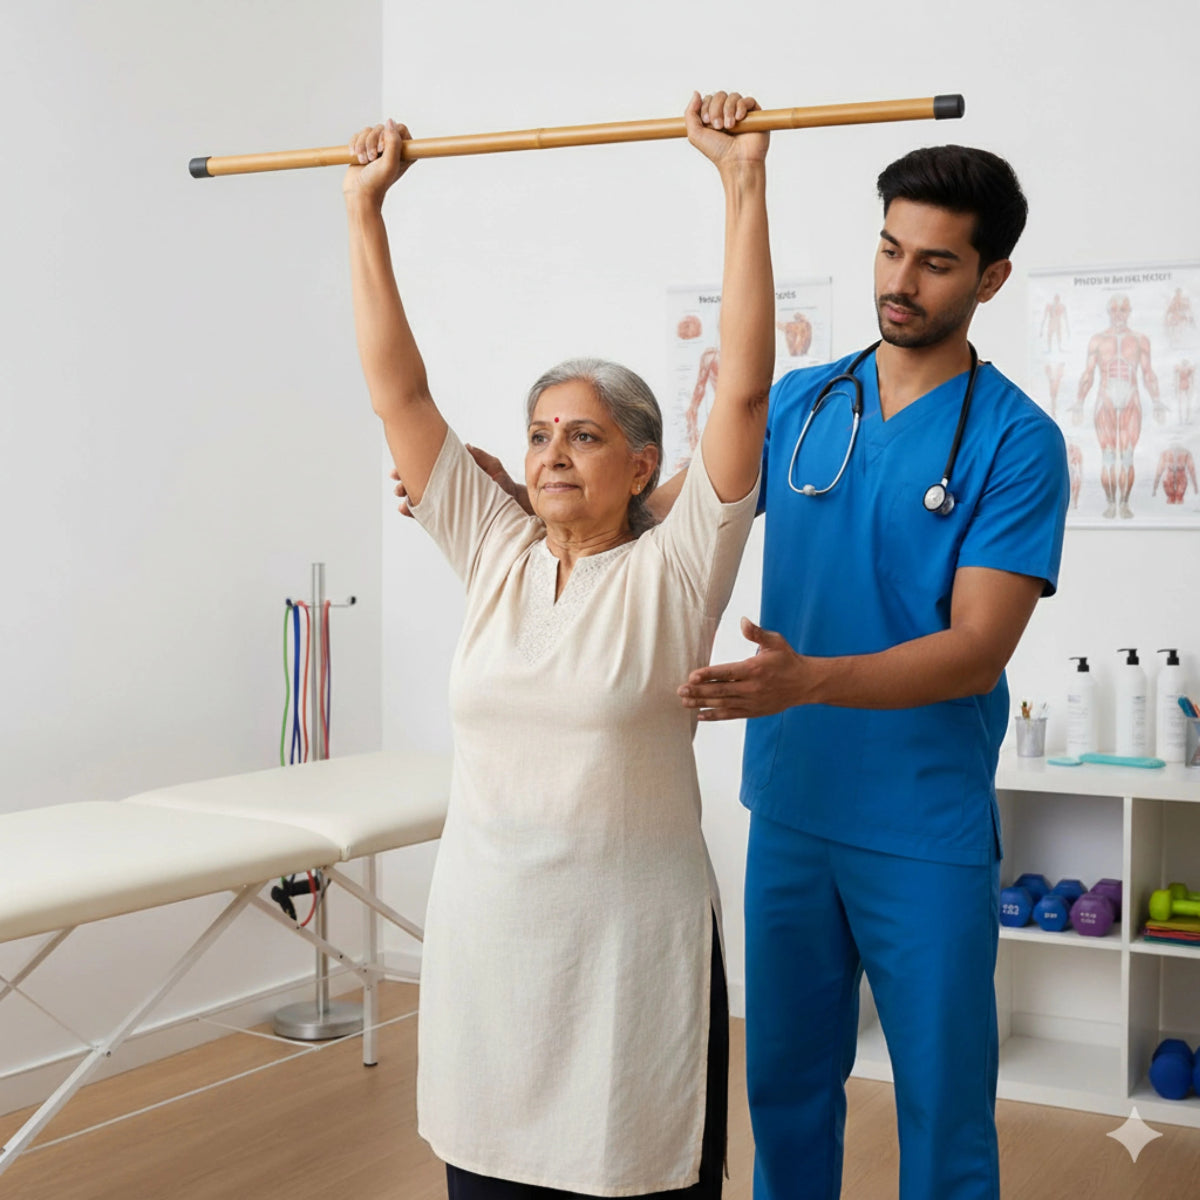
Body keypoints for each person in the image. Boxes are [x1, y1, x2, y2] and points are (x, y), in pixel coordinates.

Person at [344, 90, 773, 1200]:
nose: (551, 455)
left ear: (642, 465)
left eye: (585, 435)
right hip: (491, 944)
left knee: (635, 1174)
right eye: (538, 434)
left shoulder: (678, 566)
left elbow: (747, 387)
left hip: (630, 954)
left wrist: (740, 183)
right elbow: (398, 387)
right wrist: (364, 211)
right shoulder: (490, 546)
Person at [672, 135, 1070, 1199]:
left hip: (921, 827)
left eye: (935, 263)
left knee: (943, 1109)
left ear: (991, 278)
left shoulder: (1018, 443)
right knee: (787, 1089)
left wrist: (808, 681)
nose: (900, 281)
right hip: (794, 807)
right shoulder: (804, 401)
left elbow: (976, 649)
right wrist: (519, 496)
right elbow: (665, 513)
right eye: (890, 250)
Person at [1070, 292, 1165, 519]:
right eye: (1114, 309)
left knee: (1128, 455)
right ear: (1109, 312)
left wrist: (1157, 401)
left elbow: (1148, 373)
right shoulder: (1098, 340)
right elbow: (1088, 373)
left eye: (1123, 309)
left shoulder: (1141, 340)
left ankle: (1124, 503)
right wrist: (1079, 402)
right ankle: (1111, 503)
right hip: (1106, 396)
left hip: (1131, 395)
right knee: (1109, 455)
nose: (1119, 314)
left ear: (1129, 312)